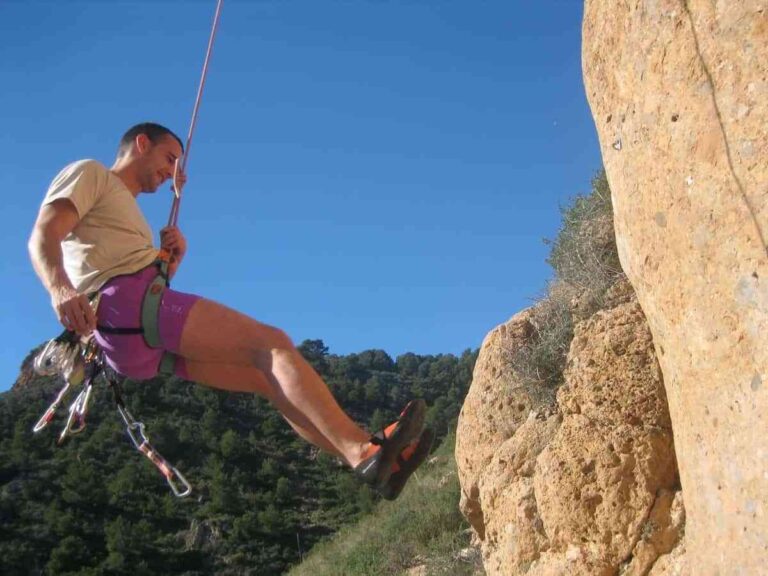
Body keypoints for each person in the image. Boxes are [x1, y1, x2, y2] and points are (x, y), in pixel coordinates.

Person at [28, 122, 431, 499]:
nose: (173, 172)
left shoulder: (126, 215)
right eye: (170, 158)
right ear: (141, 143)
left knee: (264, 378)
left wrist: (170, 261)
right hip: (128, 307)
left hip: (128, 339)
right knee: (272, 345)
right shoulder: (92, 173)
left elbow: (121, 267)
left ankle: (378, 466)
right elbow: (44, 233)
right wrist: (59, 288)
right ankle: (364, 452)